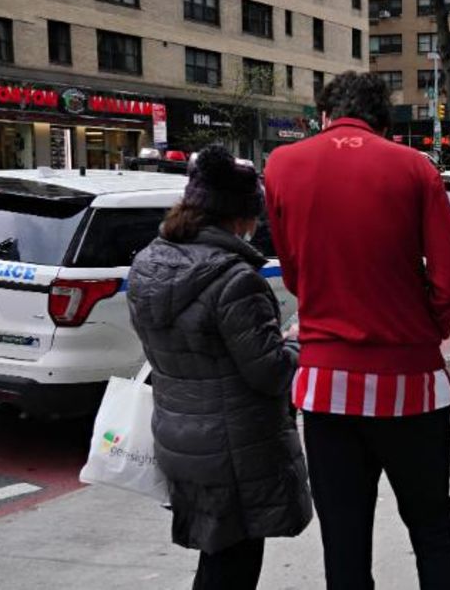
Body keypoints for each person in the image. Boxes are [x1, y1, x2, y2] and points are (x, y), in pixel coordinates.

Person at [264, 72, 450, 589]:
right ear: (385, 123)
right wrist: (427, 329)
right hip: (411, 385)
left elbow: (293, 269)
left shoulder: (283, 164)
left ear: (324, 116)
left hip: (327, 386)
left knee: (345, 537)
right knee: (432, 526)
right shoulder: (413, 168)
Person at [127, 146, 312, 590]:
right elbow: (269, 371)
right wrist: (296, 342)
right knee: (234, 566)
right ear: (239, 215)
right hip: (235, 450)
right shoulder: (235, 279)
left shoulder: (149, 264)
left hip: (181, 437)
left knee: (217, 558)